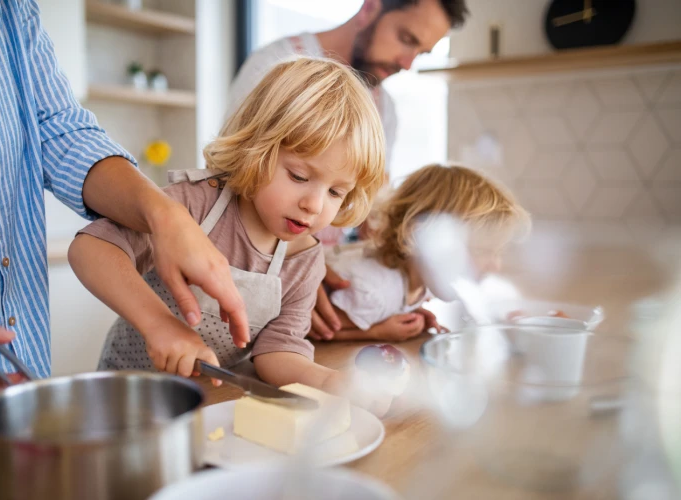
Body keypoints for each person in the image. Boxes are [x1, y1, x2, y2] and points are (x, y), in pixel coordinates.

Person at [0, 0, 248, 444]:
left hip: (18, 402)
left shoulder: (6, 8)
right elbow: (91, 248)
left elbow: (60, 130)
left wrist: (163, 215)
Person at [69, 58, 391, 414]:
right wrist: (159, 325)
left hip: (211, 404)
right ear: (258, 148)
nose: (314, 205)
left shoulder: (304, 259)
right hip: (126, 397)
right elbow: (90, 249)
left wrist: (332, 382)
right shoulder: (193, 205)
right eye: (299, 176)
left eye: (336, 192)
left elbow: (277, 352)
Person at [228, 0, 470, 340]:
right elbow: (233, 180)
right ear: (371, 7)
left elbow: (372, 214)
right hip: (255, 284)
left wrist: (399, 298)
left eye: (421, 52)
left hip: (324, 298)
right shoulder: (276, 67)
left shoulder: (383, 109)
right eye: (406, 38)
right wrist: (301, 266)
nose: (407, 62)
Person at [323, 165, 530, 342]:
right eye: (482, 250)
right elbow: (311, 328)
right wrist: (376, 331)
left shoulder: (419, 277)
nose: (495, 265)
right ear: (420, 238)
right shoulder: (374, 292)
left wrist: (404, 312)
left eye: (498, 252)